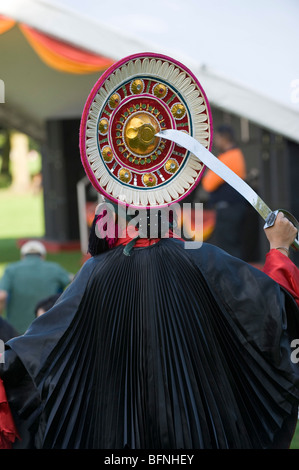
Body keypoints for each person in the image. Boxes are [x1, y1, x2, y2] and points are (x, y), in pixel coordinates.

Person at [0, 52, 299, 450]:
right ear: (174, 198)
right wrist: (278, 249)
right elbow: (272, 314)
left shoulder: (93, 274)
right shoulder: (204, 260)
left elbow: (37, 351)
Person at [0, 240, 72, 334]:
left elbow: (2, 296)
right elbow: (75, 280)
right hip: (47, 330)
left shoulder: (10, 270)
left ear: (23, 256)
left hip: (16, 333)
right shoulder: (54, 269)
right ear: (43, 256)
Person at [201, 124, 248, 259]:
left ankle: (233, 279)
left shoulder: (228, 157)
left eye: (217, 138)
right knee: (233, 246)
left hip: (228, 210)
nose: (216, 141)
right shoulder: (236, 154)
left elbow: (208, 184)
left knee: (228, 249)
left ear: (224, 138)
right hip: (235, 209)